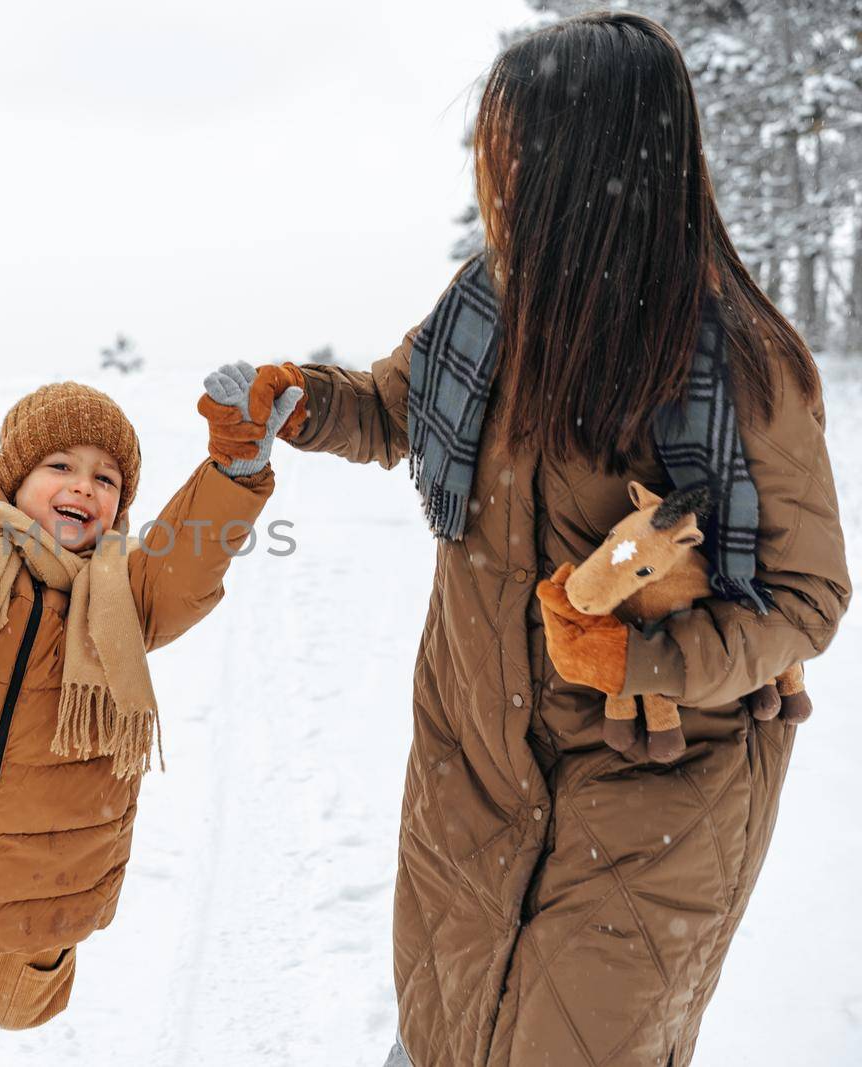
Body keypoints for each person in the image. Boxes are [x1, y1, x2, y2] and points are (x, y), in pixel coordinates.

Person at [247, 12, 848, 1066]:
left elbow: (804, 598)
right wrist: (299, 401)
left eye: (513, 134)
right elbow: (393, 408)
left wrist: (642, 655)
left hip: (655, 794)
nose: (495, 160)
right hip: (469, 764)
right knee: (445, 1026)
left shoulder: (740, 358)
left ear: (588, 152)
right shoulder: (487, 299)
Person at [0, 366, 298, 1028]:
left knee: (23, 1011)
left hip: (49, 887)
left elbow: (188, 566)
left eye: (105, 478)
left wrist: (233, 469)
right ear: (13, 481)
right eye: (60, 463)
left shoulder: (127, 595)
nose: (83, 484)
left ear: (118, 508)